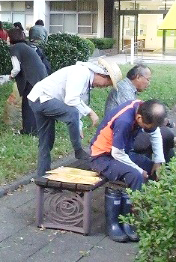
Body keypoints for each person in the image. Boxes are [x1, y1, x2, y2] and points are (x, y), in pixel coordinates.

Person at [28, 58, 122, 176]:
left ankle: (42, 176)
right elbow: (71, 100)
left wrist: (78, 126)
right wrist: (91, 113)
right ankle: (78, 151)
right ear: (102, 75)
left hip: (39, 98)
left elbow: (77, 105)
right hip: (42, 99)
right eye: (106, 84)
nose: (103, 87)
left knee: (46, 142)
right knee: (71, 113)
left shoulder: (86, 82)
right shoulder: (81, 73)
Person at [90, 99, 167, 242]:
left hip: (123, 153)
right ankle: (123, 221)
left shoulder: (143, 109)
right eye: (148, 126)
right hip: (103, 157)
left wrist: (158, 161)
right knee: (136, 175)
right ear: (139, 118)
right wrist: (138, 170)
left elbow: (154, 132)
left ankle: (147, 212)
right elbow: (117, 153)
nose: (150, 129)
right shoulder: (124, 121)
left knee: (153, 169)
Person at [105, 64, 174, 162]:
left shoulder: (127, 87)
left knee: (165, 137)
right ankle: (163, 168)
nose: (148, 83)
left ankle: (165, 166)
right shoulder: (124, 90)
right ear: (138, 77)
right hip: (118, 136)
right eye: (148, 79)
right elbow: (138, 117)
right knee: (167, 134)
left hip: (127, 131)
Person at [8, 28, 48, 135]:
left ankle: (29, 130)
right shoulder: (25, 46)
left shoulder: (15, 48)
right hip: (40, 76)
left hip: (32, 78)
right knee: (34, 103)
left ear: (11, 38)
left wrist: (10, 76)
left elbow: (16, 68)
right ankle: (37, 128)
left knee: (28, 105)